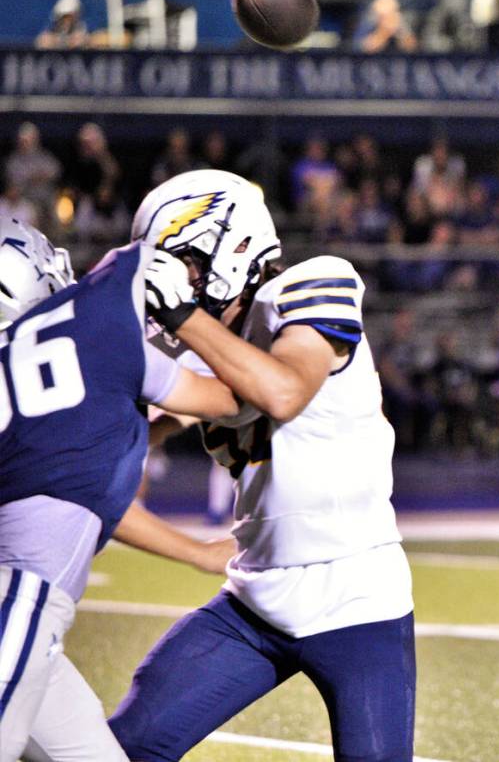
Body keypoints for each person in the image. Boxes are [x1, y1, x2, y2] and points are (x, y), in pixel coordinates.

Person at [108, 170, 415, 762]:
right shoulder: (193, 342)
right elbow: (101, 473)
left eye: (186, 265)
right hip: (253, 602)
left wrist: (183, 318)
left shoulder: (308, 284)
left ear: (234, 246)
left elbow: (282, 391)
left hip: (358, 599)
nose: (179, 283)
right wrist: (196, 550)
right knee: (126, 746)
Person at [0, 217, 240, 762]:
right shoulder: (91, 338)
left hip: (28, 610)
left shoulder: (20, 373)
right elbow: (231, 397)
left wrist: (200, 554)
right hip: (20, 601)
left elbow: (79, 483)